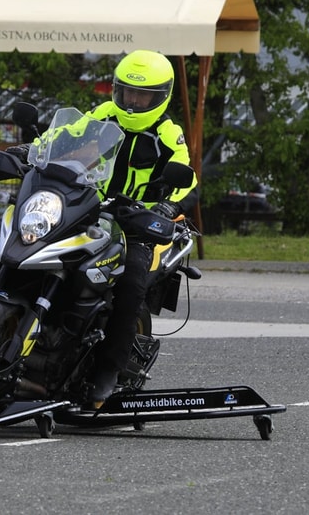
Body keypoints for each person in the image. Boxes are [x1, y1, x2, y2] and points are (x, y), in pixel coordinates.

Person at [83, 49, 199, 406]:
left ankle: (110, 368)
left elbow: (187, 179)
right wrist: (31, 150)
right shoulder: (102, 115)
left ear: (160, 97)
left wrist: (168, 205)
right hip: (89, 212)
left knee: (130, 281)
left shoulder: (167, 132)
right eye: (128, 93)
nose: (132, 102)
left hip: (138, 225)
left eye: (142, 95)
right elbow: (65, 136)